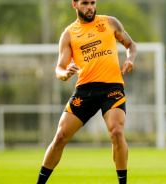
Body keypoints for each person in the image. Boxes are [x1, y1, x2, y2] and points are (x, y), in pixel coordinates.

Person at [36, 0, 137, 183]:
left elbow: (131, 45)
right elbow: (59, 68)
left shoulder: (110, 22)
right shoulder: (68, 34)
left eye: (92, 2)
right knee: (60, 137)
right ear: (75, 5)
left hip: (112, 88)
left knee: (116, 132)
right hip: (85, 90)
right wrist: (65, 74)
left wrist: (130, 59)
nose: (90, 7)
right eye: (85, 3)